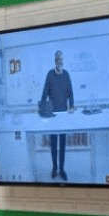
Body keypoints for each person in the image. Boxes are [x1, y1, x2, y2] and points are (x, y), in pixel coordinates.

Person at [37, 51, 75, 180]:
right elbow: (44, 93)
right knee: (53, 144)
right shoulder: (50, 74)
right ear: (55, 60)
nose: (60, 61)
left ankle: (62, 169)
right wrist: (42, 109)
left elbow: (70, 92)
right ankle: (54, 168)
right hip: (52, 115)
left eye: (62, 59)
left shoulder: (66, 75)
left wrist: (71, 106)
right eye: (58, 59)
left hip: (64, 114)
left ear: (63, 61)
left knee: (62, 144)